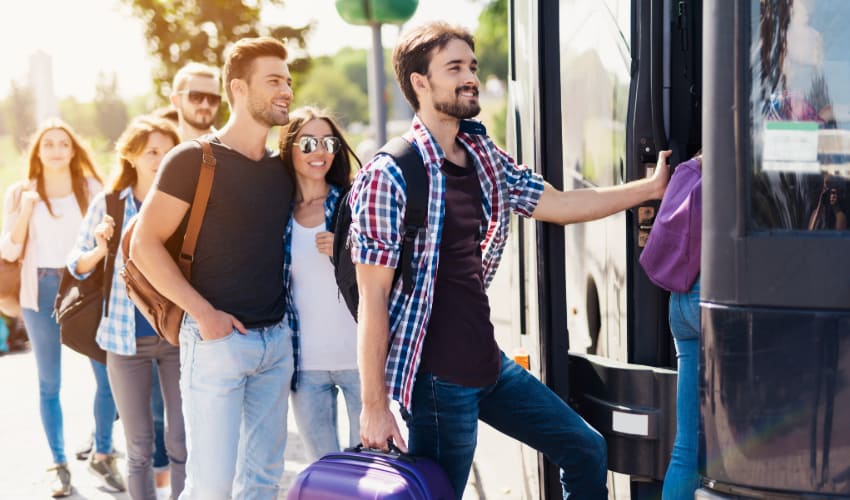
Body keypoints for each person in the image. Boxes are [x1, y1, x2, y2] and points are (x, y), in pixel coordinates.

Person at [349, 22, 671, 499]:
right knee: (437, 493)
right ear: (420, 83)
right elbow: (372, 299)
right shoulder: (390, 174)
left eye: (473, 67)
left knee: (585, 449)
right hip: (437, 382)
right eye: (454, 67)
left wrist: (649, 188)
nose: (470, 77)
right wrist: (374, 405)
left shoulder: (481, 156)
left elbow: (558, 205)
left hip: (488, 366)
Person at [130, 37, 295, 499]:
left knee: (262, 483)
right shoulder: (192, 160)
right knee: (210, 487)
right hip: (216, 343)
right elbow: (144, 244)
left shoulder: (282, 168)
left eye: (288, 80)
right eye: (274, 81)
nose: (286, 90)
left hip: (275, 344)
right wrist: (204, 314)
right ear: (239, 89)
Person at [0, 119, 122, 497]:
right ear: (37, 151)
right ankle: (59, 464)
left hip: (84, 286)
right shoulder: (21, 191)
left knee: (107, 376)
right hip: (41, 287)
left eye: (62, 144)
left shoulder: (91, 188)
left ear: (73, 150)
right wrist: (26, 209)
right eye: (47, 143)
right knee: (49, 382)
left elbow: (108, 234)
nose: (55, 150)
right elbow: (9, 250)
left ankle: (103, 453)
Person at [67, 115, 187, 500]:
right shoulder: (108, 205)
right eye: (152, 151)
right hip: (123, 340)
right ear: (131, 155)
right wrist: (100, 251)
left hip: (177, 337)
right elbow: (75, 264)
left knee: (181, 441)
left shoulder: (185, 204)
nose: (161, 158)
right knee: (138, 447)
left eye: (169, 151)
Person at [279, 107, 362, 461]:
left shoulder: (353, 200)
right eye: (308, 142)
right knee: (324, 472)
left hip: (362, 362)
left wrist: (351, 250)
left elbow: (395, 263)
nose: (320, 151)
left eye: (328, 142)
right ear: (289, 147)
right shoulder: (276, 211)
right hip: (306, 366)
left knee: (373, 468)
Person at [169, 62, 222, 140]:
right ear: (175, 100)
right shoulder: (165, 150)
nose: (205, 105)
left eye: (213, 99)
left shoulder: (231, 148)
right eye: (195, 97)